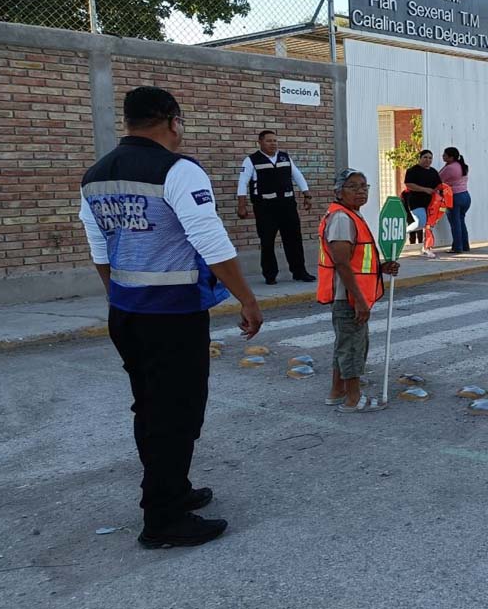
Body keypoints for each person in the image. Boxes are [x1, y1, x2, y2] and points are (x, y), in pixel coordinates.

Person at [78, 86, 263, 549]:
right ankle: (161, 518)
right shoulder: (177, 170)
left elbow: (99, 247)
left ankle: (174, 489)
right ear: (171, 120)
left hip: (127, 312)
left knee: (151, 407)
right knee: (176, 414)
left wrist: (120, 297)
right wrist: (247, 299)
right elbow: (211, 240)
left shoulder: (96, 174)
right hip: (172, 315)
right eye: (180, 122)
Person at [318, 169, 400, 412]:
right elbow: (341, 262)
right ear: (339, 191)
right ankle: (353, 399)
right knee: (353, 347)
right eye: (353, 186)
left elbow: (356, 260)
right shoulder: (343, 219)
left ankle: (337, 391)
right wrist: (360, 300)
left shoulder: (350, 215)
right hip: (350, 296)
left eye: (364, 186)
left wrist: (381, 267)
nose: (360, 190)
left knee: (344, 344)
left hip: (350, 294)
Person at [236, 130, 315, 285]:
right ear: (260, 142)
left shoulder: (285, 157)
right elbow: (242, 182)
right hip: (265, 207)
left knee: (294, 240)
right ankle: (270, 275)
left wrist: (307, 195)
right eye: (269, 141)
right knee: (267, 242)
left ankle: (299, 271)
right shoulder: (251, 160)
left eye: (275, 141)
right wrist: (242, 205)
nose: (273, 144)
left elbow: (297, 175)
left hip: (287, 204)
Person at [404, 150, 442, 259]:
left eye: (430, 158)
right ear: (420, 158)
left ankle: (427, 248)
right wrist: (424, 189)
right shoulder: (412, 170)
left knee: (429, 226)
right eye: (425, 157)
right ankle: (403, 232)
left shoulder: (433, 172)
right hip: (416, 201)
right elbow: (409, 184)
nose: (428, 160)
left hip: (431, 203)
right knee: (421, 222)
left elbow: (438, 185)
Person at [440, 147, 471, 254]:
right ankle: (465, 245)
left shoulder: (450, 168)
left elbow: (438, 179)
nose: (442, 156)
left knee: (455, 224)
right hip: (465, 196)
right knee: (461, 221)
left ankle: (457, 247)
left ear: (451, 157)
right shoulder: (461, 166)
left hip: (454, 197)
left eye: (445, 155)